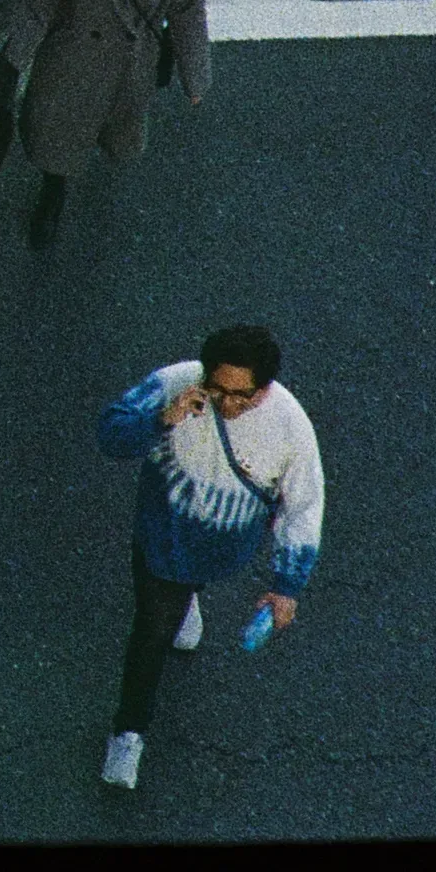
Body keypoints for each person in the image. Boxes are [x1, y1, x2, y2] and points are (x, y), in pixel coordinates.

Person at [94, 325, 325, 794]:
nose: (226, 405)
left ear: (264, 388)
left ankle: (187, 599)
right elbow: (111, 435)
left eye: (241, 396)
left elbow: (303, 506)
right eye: (216, 389)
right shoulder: (174, 383)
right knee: (151, 633)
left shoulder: (291, 427)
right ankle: (129, 729)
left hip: (220, 551)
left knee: (180, 596)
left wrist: (287, 586)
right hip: (161, 538)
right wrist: (162, 418)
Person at [0, 0, 217, 250]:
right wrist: (15, 57)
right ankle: (52, 197)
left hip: (131, 68)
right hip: (72, 64)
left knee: (114, 131)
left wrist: (195, 76)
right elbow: (43, 1)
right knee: (58, 143)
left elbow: (187, 15)